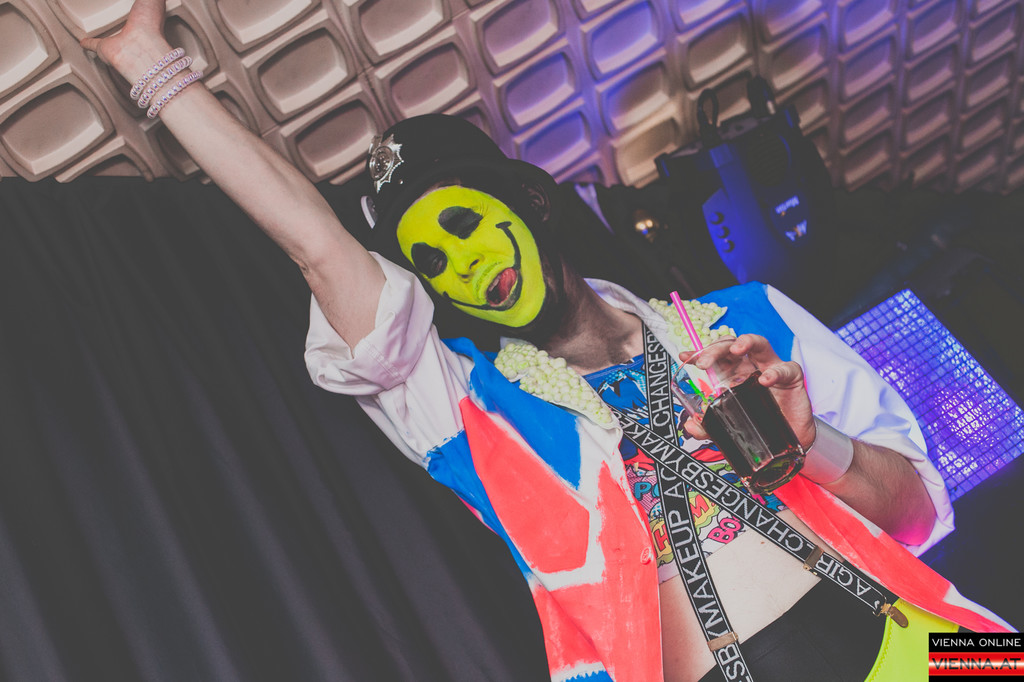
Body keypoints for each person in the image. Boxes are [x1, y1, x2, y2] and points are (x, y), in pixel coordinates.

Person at [83, 3, 1013, 680]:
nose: (460, 265)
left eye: (464, 224)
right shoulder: (470, 413)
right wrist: (152, 67)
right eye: (430, 260)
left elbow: (917, 516)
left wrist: (813, 446)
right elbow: (319, 248)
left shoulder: (750, 319)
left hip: (937, 650)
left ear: (532, 201)